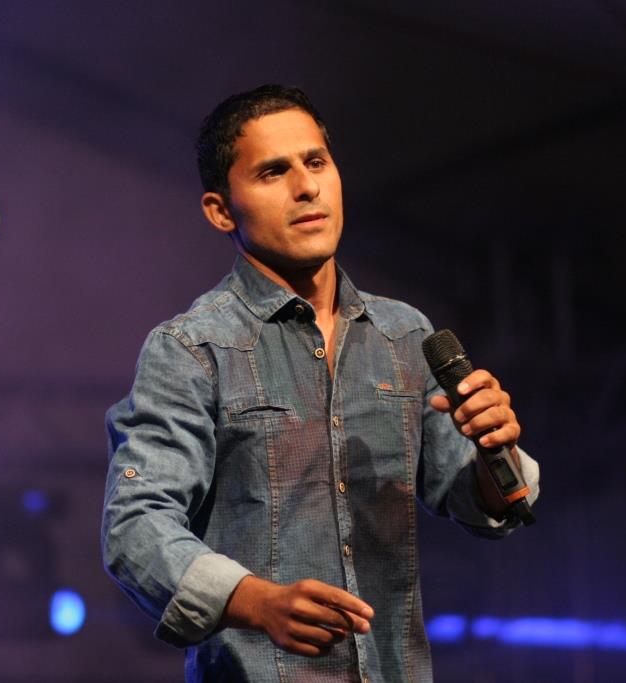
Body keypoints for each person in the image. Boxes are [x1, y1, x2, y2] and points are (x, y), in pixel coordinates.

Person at [101, 84, 540, 682]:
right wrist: (256, 601)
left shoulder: (404, 334)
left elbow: (481, 503)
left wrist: (494, 451)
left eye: (316, 162)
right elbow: (134, 525)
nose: (306, 187)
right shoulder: (192, 349)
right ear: (221, 211)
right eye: (272, 172)